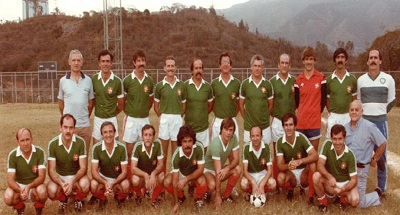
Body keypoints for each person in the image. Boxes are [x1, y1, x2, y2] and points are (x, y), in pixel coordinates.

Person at [357, 49, 396, 195]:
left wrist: (379, 112)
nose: (373, 60)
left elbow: (392, 101)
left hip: (380, 122)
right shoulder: (360, 80)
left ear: (380, 61)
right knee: (363, 155)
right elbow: (359, 101)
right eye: (370, 58)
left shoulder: (388, 79)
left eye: (376, 58)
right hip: (365, 122)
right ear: (367, 61)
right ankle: (360, 185)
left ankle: (381, 188)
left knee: (382, 156)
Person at [294, 47, 326, 202]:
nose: (308, 62)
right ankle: (302, 186)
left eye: (311, 59)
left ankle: (312, 194)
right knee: (301, 157)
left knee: (312, 159)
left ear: (314, 60)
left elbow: (323, 102)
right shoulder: (298, 80)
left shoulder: (321, 78)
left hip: (314, 124)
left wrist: (314, 113)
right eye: (306, 59)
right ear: (303, 61)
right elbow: (296, 102)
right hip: (300, 125)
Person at [344, 100, 387, 208]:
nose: (354, 112)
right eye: (351, 110)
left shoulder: (369, 126)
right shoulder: (345, 128)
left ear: (362, 112)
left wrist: (375, 159)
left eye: (356, 110)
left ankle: (377, 195)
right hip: (346, 170)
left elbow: (382, 142)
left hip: (361, 170)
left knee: (358, 203)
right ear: (349, 112)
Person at [47, 114, 90, 213]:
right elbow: (51, 170)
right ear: (60, 128)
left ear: (74, 129)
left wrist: (72, 181)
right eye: (65, 127)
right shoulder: (53, 144)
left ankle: (78, 200)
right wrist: (62, 184)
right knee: (51, 190)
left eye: (71, 128)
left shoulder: (80, 142)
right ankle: (63, 199)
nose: (68, 131)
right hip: (60, 177)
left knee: (85, 184)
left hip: (76, 177)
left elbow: (83, 168)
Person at [313, 124, 359, 212]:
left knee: (355, 201)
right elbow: (319, 165)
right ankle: (323, 203)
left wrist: (343, 189)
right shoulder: (327, 145)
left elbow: (354, 180)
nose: (337, 142)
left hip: (344, 184)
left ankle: (342, 198)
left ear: (344, 138)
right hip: (331, 183)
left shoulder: (350, 154)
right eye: (334, 139)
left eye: (340, 139)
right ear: (331, 138)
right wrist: (329, 176)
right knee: (316, 176)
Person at [163, 125, 207, 212]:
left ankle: (198, 199)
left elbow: (200, 170)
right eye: (184, 141)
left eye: (190, 141)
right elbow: (175, 180)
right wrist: (176, 203)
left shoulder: (199, 147)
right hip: (181, 173)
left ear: (193, 141)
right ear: (180, 142)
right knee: (167, 182)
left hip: (194, 172)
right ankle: (180, 197)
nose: (187, 145)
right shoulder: (176, 155)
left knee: (202, 180)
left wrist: (186, 179)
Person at [4, 128, 47, 215]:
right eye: (22, 140)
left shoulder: (40, 152)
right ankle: (20, 208)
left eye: (27, 139)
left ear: (32, 139)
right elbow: (10, 180)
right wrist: (20, 190)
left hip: (34, 186)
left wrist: (28, 187)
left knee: (42, 191)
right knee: (8, 197)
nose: (26, 143)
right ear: (18, 142)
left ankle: (38, 208)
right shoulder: (13, 155)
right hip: (19, 186)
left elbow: (42, 177)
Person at [154, 56, 186, 172]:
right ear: (164, 68)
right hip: (165, 119)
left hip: (177, 119)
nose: (170, 68)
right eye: (168, 66)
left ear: (176, 68)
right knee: (163, 154)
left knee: (176, 152)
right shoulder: (159, 86)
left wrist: (178, 116)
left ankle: (174, 181)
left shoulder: (181, 85)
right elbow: (156, 106)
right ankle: (161, 183)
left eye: (172, 66)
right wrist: (162, 117)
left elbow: (183, 106)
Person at [58, 49, 94, 152]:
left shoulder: (88, 80)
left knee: (84, 156)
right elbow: (61, 104)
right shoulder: (63, 81)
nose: (76, 63)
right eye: (73, 60)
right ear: (69, 62)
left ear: (82, 62)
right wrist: (67, 118)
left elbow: (91, 103)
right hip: (69, 127)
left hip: (84, 126)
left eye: (78, 60)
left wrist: (85, 116)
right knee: (69, 156)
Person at [276, 113, 318, 201]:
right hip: (291, 173)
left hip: (303, 172)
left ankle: (310, 194)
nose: (288, 128)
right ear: (283, 127)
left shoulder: (301, 137)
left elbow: (315, 155)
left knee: (313, 165)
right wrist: (288, 166)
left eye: (291, 124)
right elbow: (279, 165)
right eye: (286, 125)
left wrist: (300, 161)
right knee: (280, 178)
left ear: (295, 126)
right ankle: (290, 190)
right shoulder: (279, 142)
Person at [122, 49, 155, 162]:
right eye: (139, 61)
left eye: (143, 61)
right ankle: (131, 177)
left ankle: (143, 177)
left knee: (145, 150)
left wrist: (142, 110)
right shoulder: (127, 80)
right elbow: (123, 101)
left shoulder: (149, 80)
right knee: (130, 152)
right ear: (134, 63)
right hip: (131, 119)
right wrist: (130, 111)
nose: (141, 63)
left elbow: (150, 101)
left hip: (144, 119)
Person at [204, 118, 242, 210]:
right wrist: (217, 195)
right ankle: (205, 195)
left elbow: (236, 159)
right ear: (221, 130)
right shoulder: (216, 144)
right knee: (212, 185)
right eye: (226, 129)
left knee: (238, 169)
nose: (228, 133)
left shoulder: (233, 138)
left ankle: (226, 196)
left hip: (220, 169)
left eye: (231, 130)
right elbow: (218, 173)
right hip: (207, 171)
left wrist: (227, 168)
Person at [90, 121, 129, 210]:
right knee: (93, 184)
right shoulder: (96, 148)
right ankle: (102, 199)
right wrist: (105, 182)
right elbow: (94, 171)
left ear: (114, 133)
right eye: (105, 132)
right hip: (103, 178)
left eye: (110, 131)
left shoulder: (122, 148)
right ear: (102, 134)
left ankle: (119, 198)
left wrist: (114, 183)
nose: (108, 135)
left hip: (117, 179)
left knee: (126, 185)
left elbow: (124, 172)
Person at [269, 53, 296, 180]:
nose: (284, 65)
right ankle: (276, 181)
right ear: (278, 64)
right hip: (277, 122)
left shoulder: (294, 81)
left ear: (290, 65)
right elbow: (269, 104)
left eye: (287, 63)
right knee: (277, 152)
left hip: (290, 123)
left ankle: (289, 182)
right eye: (282, 63)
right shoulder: (272, 82)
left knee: (290, 152)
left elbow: (297, 102)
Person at [239, 54, 273, 144]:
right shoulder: (245, 84)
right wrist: (247, 119)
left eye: (259, 66)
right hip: (249, 127)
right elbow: (241, 105)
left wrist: (264, 117)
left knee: (265, 154)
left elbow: (271, 105)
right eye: (255, 66)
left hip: (264, 127)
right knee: (249, 154)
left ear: (263, 68)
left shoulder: (268, 84)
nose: (257, 68)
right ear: (251, 67)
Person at [91, 50, 124, 145]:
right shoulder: (94, 79)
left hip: (111, 119)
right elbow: (92, 101)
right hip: (98, 119)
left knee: (115, 149)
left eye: (107, 61)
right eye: (103, 61)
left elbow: (121, 105)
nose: (105, 64)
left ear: (111, 63)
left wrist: (111, 113)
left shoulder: (117, 81)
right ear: (99, 63)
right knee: (96, 149)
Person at [131, 124, 165, 208]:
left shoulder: (157, 144)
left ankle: (154, 198)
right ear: (142, 137)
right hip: (142, 174)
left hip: (153, 173)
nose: (148, 138)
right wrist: (145, 175)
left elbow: (161, 164)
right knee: (135, 180)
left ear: (153, 137)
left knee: (161, 176)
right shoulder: (138, 146)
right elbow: (133, 168)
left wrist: (153, 174)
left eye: (150, 135)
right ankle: (139, 195)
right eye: (145, 135)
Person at [326, 48, 357, 138]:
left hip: (347, 116)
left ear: (346, 60)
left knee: (347, 141)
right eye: (338, 57)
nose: (340, 59)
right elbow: (327, 99)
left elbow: (354, 100)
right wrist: (331, 112)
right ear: (334, 61)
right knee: (332, 142)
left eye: (342, 57)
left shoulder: (352, 79)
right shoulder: (329, 80)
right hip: (334, 116)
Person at [184, 58, 213, 151]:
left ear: (203, 70)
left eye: (200, 68)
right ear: (192, 70)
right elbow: (183, 105)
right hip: (189, 129)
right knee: (189, 155)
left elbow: (210, 106)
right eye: (196, 68)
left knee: (203, 157)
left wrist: (202, 114)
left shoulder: (208, 87)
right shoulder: (185, 86)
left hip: (203, 129)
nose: (198, 70)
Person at [241, 125, 276, 201]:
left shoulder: (266, 147)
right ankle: (250, 192)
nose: (255, 138)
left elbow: (270, 170)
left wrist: (262, 184)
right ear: (250, 137)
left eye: (257, 135)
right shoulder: (246, 147)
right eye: (253, 136)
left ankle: (262, 191)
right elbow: (245, 171)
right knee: (243, 184)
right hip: (250, 174)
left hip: (262, 174)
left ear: (261, 136)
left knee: (273, 183)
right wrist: (253, 182)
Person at [210, 52, 241, 140]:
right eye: (223, 62)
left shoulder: (237, 83)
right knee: (217, 150)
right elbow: (212, 104)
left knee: (232, 150)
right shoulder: (214, 83)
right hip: (218, 121)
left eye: (227, 62)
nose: (225, 65)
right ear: (219, 66)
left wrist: (231, 116)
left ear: (231, 66)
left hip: (232, 120)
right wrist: (219, 113)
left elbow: (239, 104)